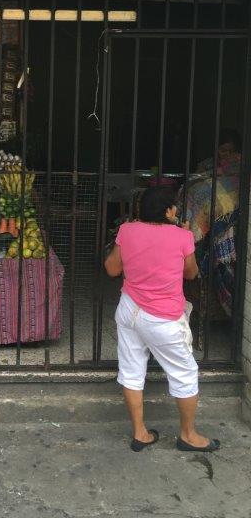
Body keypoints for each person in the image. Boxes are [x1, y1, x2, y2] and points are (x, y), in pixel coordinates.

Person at [104, 186, 220, 453]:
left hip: (129, 310)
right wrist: (185, 238)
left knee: (132, 371)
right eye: (174, 207)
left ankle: (140, 433)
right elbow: (191, 274)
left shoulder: (127, 230)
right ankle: (188, 435)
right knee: (185, 374)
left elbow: (112, 269)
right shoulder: (182, 236)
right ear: (168, 211)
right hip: (163, 320)